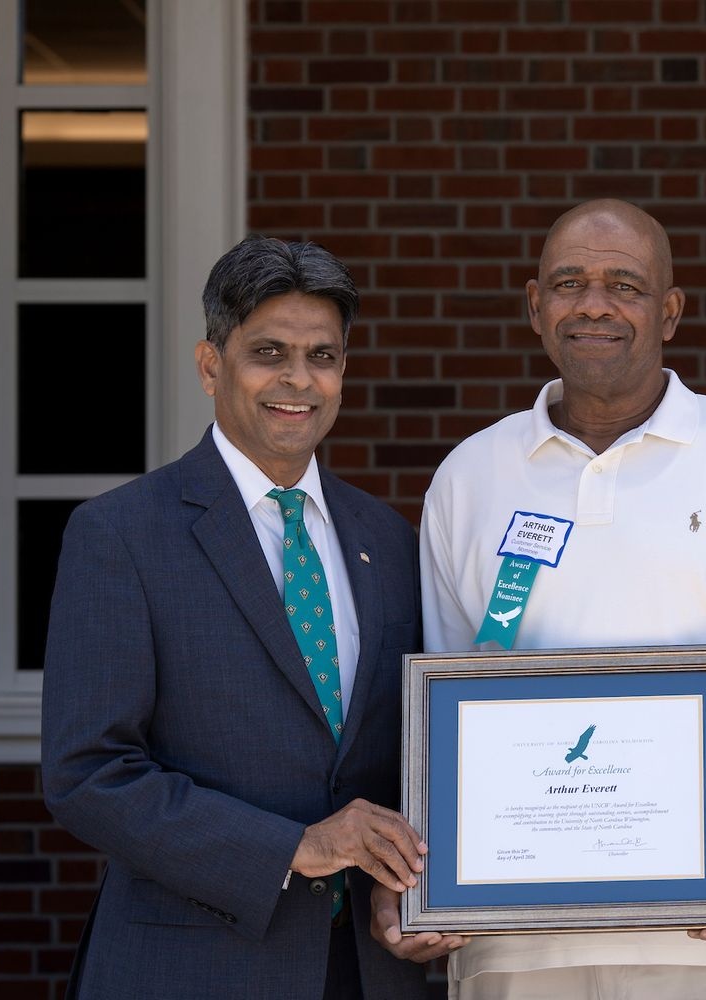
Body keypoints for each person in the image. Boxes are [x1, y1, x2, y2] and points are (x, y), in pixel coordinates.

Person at [373, 199, 706, 999]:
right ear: (536, 306)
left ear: (669, 312)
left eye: (624, 285)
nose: (594, 303)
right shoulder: (470, 477)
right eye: (570, 282)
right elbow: (445, 722)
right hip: (514, 952)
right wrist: (420, 873)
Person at [42, 236, 430, 1000]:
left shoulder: (386, 539)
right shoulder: (120, 534)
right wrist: (296, 846)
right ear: (211, 365)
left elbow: (406, 754)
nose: (298, 380)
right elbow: (87, 772)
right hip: (194, 967)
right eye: (269, 352)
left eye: (323, 355)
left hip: (371, 968)